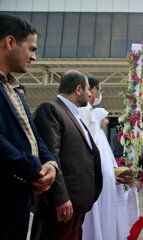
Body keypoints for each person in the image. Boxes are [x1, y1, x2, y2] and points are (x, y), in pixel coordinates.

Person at [0, 13, 57, 240]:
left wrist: (50, 164)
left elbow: (32, 136)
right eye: (31, 49)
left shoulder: (13, 89)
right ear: (10, 42)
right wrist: (34, 168)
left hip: (19, 202)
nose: (34, 56)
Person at [31, 70, 103, 240]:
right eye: (87, 89)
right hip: (62, 204)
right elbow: (50, 156)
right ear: (78, 89)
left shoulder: (74, 114)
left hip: (77, 203)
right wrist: (60, 198)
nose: (90, 93)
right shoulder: (51, 110)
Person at [82, 108, 129, 240]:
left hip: (108, 181)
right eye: (106, 118)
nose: (107, 121)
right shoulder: (94, 134)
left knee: (108, 212)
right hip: (100, 181)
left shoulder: (101, 134)